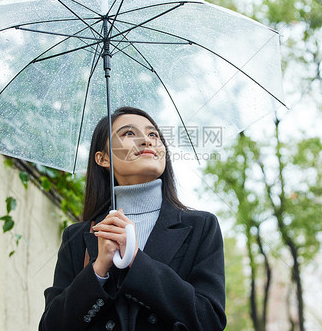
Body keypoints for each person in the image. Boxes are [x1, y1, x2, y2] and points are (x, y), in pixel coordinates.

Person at [39, 106, 226, 331]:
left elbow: (209, 321)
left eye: (153, 134)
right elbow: (51, 327)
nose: (147, 141)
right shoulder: (78, 236)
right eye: (129, 133)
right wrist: (98, 270)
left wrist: (135, 260)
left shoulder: (201, 227)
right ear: (103, 158)